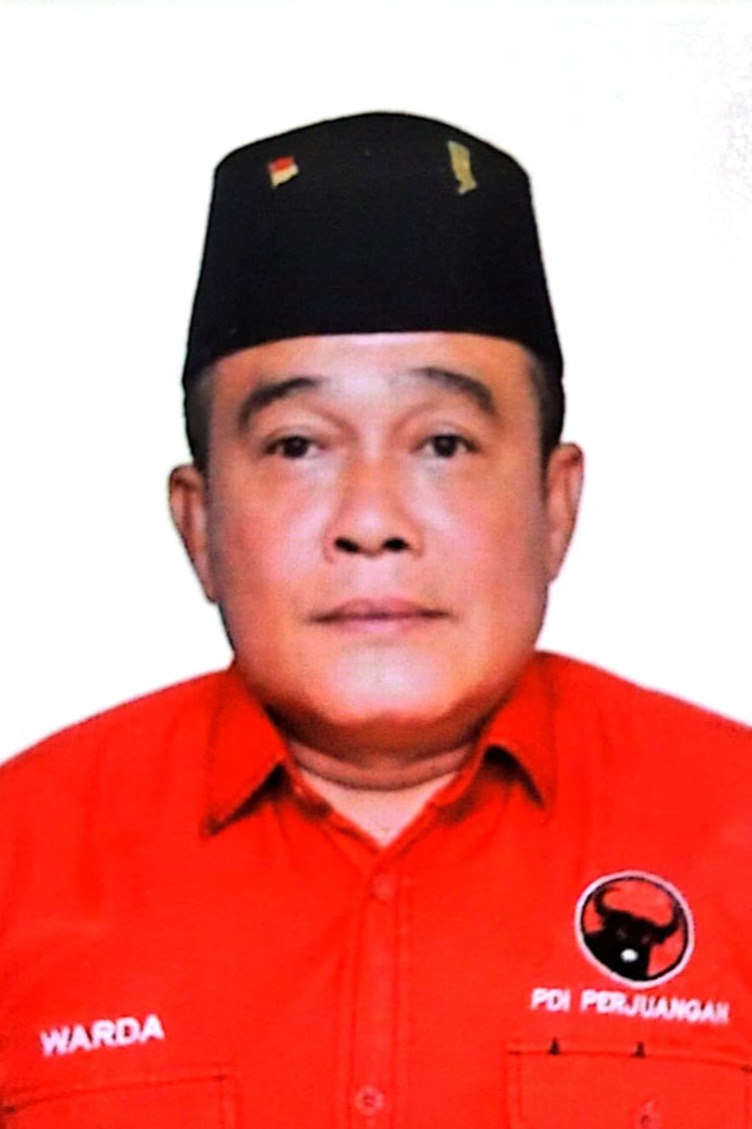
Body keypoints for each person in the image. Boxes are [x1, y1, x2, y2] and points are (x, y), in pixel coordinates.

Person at [1, 111, 750, 1128]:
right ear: (199, 525)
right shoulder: (19, 856)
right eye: (297, 446)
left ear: (554, 506)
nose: (371, 521)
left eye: (443, 444)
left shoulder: (737, 826)